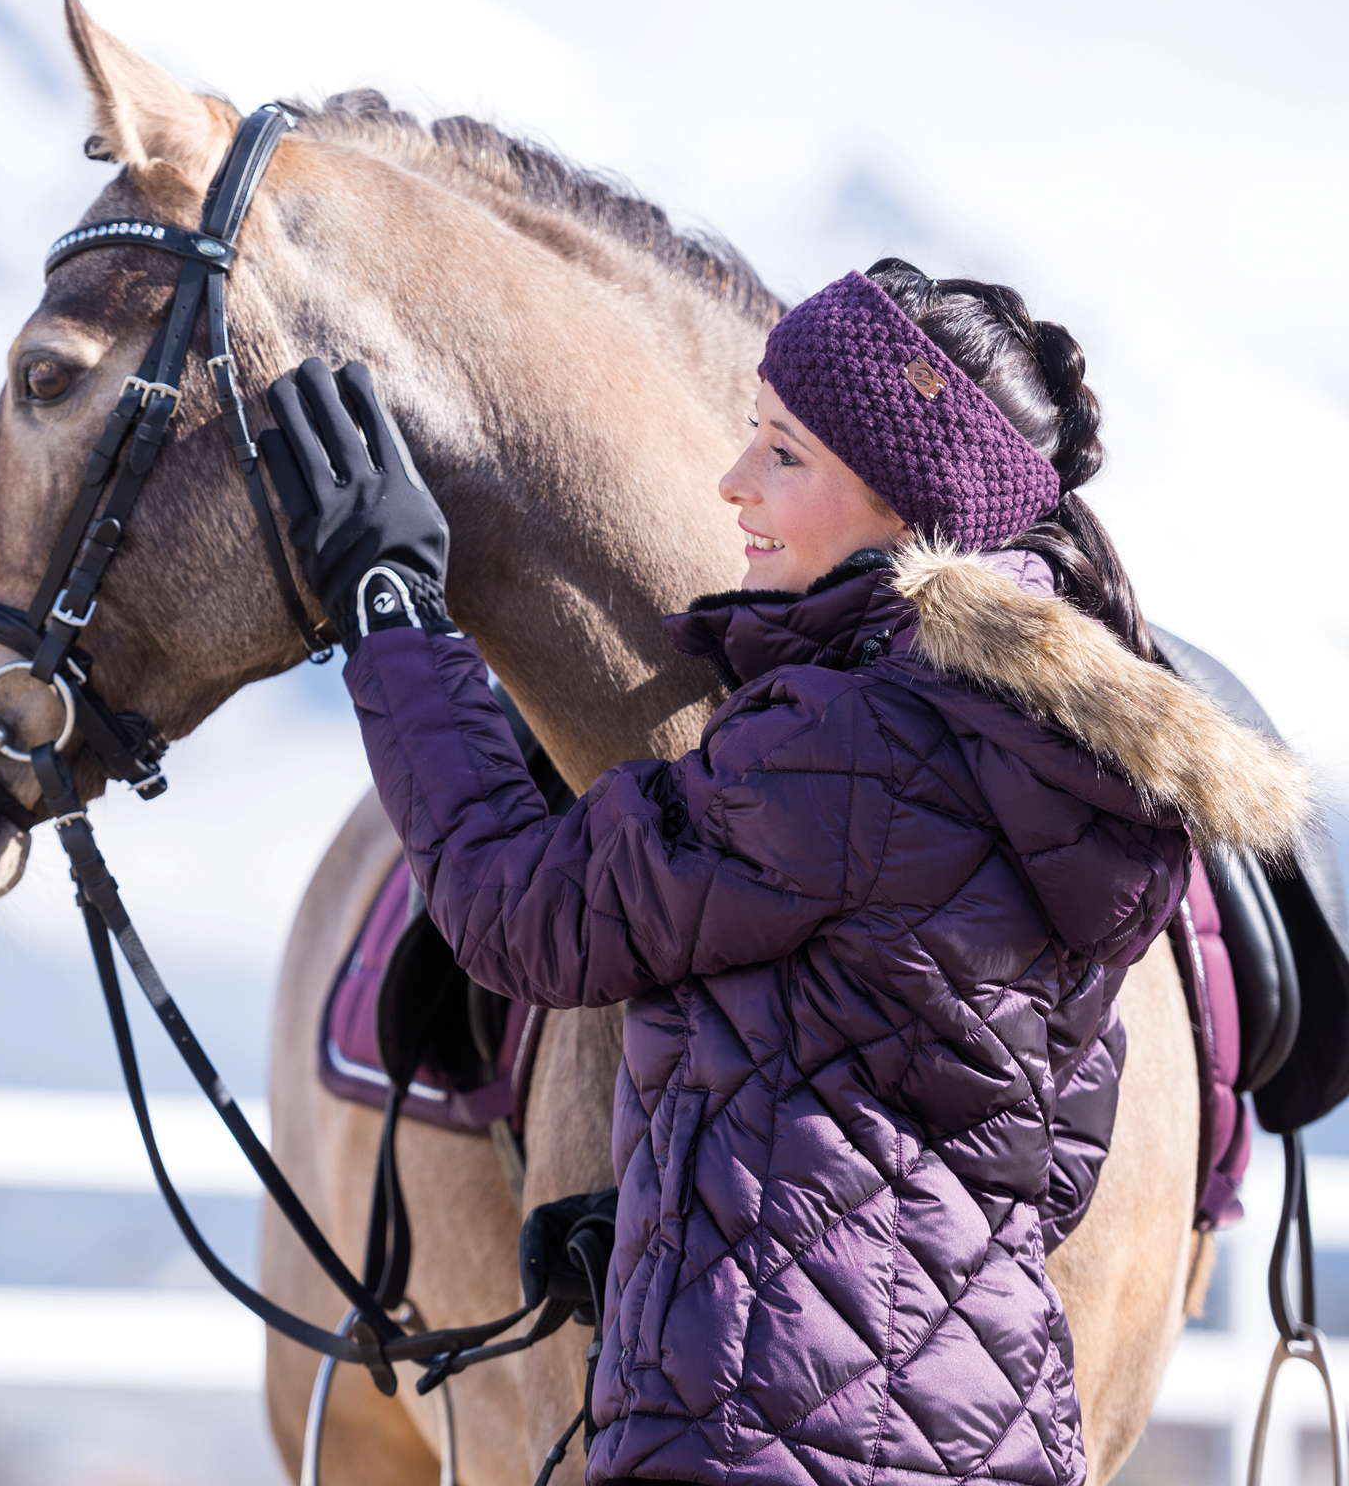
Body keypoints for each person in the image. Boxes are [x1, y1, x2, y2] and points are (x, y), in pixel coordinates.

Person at [266, 260, 1312, 1486]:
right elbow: (1040, 1160)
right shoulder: (1044, 759)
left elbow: (520, 914)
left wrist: (393, 610)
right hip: (989, 1436)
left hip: (761, 1446)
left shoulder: (844, 736)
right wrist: (699, 1218)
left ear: (902, 502)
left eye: (785, 453)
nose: (734, 484)